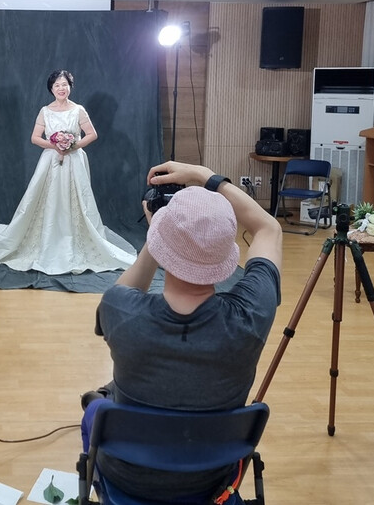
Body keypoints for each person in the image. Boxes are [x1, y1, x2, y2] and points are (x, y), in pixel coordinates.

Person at [80, 160, 282, 502]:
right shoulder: (251, 316)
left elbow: (122, 294)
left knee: (95, 408)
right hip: (211, 484)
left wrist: (158, 237)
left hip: (126, 482)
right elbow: (268, 228)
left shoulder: (120, 311)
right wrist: (206, 176)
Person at [0, 70, 137, 275]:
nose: (61, 88)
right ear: (51, 88)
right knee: (47, 197)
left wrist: (72, 146)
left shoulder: (78, 110)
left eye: (64, 84)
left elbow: (92, 134)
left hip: (74, 161)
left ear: (70, 87)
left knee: (77, 199)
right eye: (57, 85)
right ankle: (49, 237)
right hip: (50, 161)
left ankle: (74, 238)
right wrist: (55, 146)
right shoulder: (45, 111)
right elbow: (35, 138)